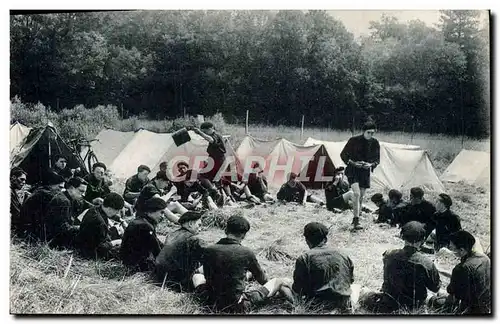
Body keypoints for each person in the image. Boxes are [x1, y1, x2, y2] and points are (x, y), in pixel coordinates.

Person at [193, 215, 291, 313]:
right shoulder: (246, 252)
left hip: (209, 301)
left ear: (226, 231)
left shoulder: (209, 250)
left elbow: (207, 274)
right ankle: (296, 303)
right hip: (236, 305)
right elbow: (263, 280)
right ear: (243, 235)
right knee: (278, 281)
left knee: (197, 275)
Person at [358, 221, 441, 313]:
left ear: (402, 236)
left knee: (362, 291)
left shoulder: (389, 255)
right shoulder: (427, 263)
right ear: (423, 240)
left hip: (389, 302)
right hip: (415, 305)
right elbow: (435, 288)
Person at [290, 222, 355, 313]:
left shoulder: (305, 258)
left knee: (283, 285)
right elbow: (350, 281)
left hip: (317, 306)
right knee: (357, 288)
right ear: (326, 239)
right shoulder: (343, 255)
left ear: (307, 240)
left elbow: (298, 289)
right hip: (344, 304)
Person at [429, 230, 491, 314]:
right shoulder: (485, 259)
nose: (449, 249)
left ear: (461, 250)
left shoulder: (461, 268)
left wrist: (436, 299)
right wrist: (441, 270)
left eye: (451, 248)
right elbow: (469, 277)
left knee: (433, 299)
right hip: (486, 305)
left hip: (470, 310)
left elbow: (452, 298)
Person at [340, 120, 380, 231]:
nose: (371, 135)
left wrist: (370, 164)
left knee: (361, 196)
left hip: (365, 171)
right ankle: (356, 220)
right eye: (369, 132)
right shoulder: (353, 140)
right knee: (356, 194)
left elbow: (377, 160)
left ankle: (357, 215)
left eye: (373, 133)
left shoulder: (375, 143)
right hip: (353, 170)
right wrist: (353, 163)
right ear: (363, 131)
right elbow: (343, 155)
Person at [154, 211, 206, 291]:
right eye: (198, 225)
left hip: (159, 278)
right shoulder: (193, 239)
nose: (200, 228)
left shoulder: (171, 235)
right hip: (177, 282)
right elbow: (210, 255)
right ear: (190, 224)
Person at [120, 197, 166, 272]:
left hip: (130, 261)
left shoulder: (141, 220)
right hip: (135, 266)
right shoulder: (145, 226)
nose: (163, 216)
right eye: (161, 212)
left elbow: (156, 241)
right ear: (151, 211)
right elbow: (157, 250)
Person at [76, 193, 125, 260]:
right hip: (92, 253)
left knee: (115, 231)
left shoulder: (95, 209)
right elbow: (101, 248)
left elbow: (113, 216)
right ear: (110, 208)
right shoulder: (99, 222)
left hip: (86, 243)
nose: (118, 213)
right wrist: (115, 242)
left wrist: (121, 221)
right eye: (117, 210)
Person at [17, 172, 66, 240]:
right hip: (31, 235)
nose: (61, 190)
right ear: (51, 185)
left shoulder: (40, 192)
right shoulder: (44, 194)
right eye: (60, 187)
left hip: (28, 231)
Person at [44, 177, 89, 248]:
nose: (83, 195)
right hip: (50, 239)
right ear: (71, 188)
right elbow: (62, 228)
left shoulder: (67, 197)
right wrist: (80, 228)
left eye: (84, 192)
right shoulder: (63, 201)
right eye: (81, 191)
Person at [10, 168, 30, 232]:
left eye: (25, 180)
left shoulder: (12, 191)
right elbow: (17, 214)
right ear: (13, 177)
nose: (24, 182)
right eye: (22, 179)